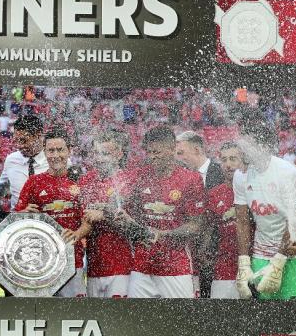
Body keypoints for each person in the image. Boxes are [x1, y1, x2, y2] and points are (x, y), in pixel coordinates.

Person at [121, 125, 205, 298]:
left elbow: (196, 225)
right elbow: (128, 213)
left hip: (175, 266)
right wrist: (124, 218)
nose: (152, 157)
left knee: (180, 321)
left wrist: (164, 234)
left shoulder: (191, 179)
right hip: (142, 266)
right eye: (149, 152)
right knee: (133, 321)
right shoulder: (140, 176)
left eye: (157, 152)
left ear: (172, 148)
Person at [234, 118, 296, 300]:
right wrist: (244, 262)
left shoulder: (288, 173)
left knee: (295, 319)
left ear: (263, 146)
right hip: (261, 253)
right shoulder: (240, 175)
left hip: (293, 255)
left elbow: (295, 223)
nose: (241, 148)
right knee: (263, 319)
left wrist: (278, 262)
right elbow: (243, 221)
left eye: (247, 144)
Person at [17, 129, 91, 297]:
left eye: (60, 150)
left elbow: (88, 221)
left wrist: (77, 234)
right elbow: (16, 220)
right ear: (44, 151)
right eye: (51, 150)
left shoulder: (80, 182)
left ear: (69, 151)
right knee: (44, 318)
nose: (55, 155)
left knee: (74, 317)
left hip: (73, 261)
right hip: (41, 265)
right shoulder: (34, 182)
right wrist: (22, 213)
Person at [79, 131, 136, 298]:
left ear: (119, 154)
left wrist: (103, 215)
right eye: (96, 153)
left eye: (105, 153)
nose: (99, 158)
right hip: (93, 266)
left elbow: (130, 222)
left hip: (121, 267)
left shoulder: (127, 180)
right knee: (96, 318)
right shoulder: (86, 181)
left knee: (119, 319)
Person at [175, 130, 225, 298]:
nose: (178, 157)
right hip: (189, 251)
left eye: (181, 153)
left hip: (217, 254)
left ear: (196, 150)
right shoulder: (179, 177)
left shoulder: (222, 173)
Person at [207, 142, 247, 299]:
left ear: (243, 160)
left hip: (254, 265)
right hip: (224, 268)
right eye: (224, 160)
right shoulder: (214, 194)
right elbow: (209, 230)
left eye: (233, 159)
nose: (228, 165)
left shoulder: (254, 188)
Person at [0, 114, 47, 211]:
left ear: (38, 136)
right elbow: (1, 189)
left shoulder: (54, 159)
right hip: (19, 222)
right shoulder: (11, 160)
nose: (19, 146)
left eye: (23, 140)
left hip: (47, 224)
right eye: (17, 140)